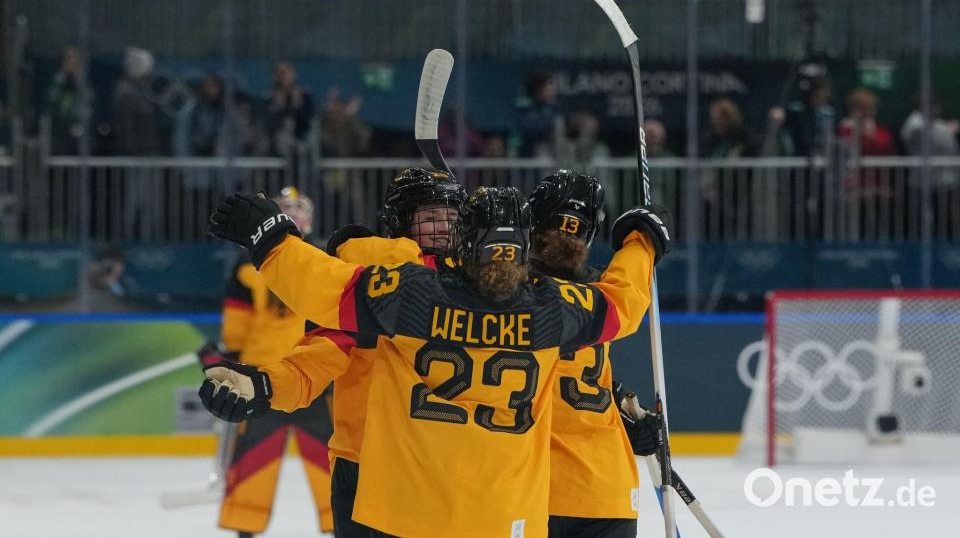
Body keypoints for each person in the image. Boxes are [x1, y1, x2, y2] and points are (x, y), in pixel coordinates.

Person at [201, 186, 671, 537]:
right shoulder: (552, 307)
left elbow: (323, 287)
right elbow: (622, 304)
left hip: (404, 512)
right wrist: (641, 242)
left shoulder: (411, 294)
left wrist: (273, 238)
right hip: (504, 517)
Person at [250, 168, 466, 537]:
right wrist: (264, 384)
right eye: (430, 217)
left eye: (452, 217)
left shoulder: (366, 280)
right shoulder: (489, 287)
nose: (444, 227)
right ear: (400, 222)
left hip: (442, 468)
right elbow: (320, 356)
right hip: (375, 463)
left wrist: (359, 250)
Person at [528, 171, 659, 538]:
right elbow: (626, 296)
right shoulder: (597, 296)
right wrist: (642, 242)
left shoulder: (508, 299)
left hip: (535, 493)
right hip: (606, 491)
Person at [213, 187, 334, 538]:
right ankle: (336, 522)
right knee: (321, 457)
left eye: (299, 209)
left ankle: (247, 526)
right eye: (289, 210)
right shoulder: (325, 256)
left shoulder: (251, 260)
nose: (296, 216)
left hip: (279, 375)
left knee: (263, 457)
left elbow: (236, 325)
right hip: (299, 372)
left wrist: (232, 356)